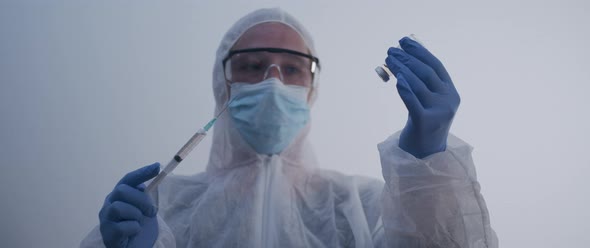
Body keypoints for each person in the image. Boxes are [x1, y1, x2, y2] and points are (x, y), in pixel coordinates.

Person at [81, 8, 498, 248]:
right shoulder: (164, 207)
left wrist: (427, 178)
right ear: (221, 83)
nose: (273, 81)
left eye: (293, 68)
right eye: (251, 66)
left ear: (312, 86)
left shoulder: (363, 205)